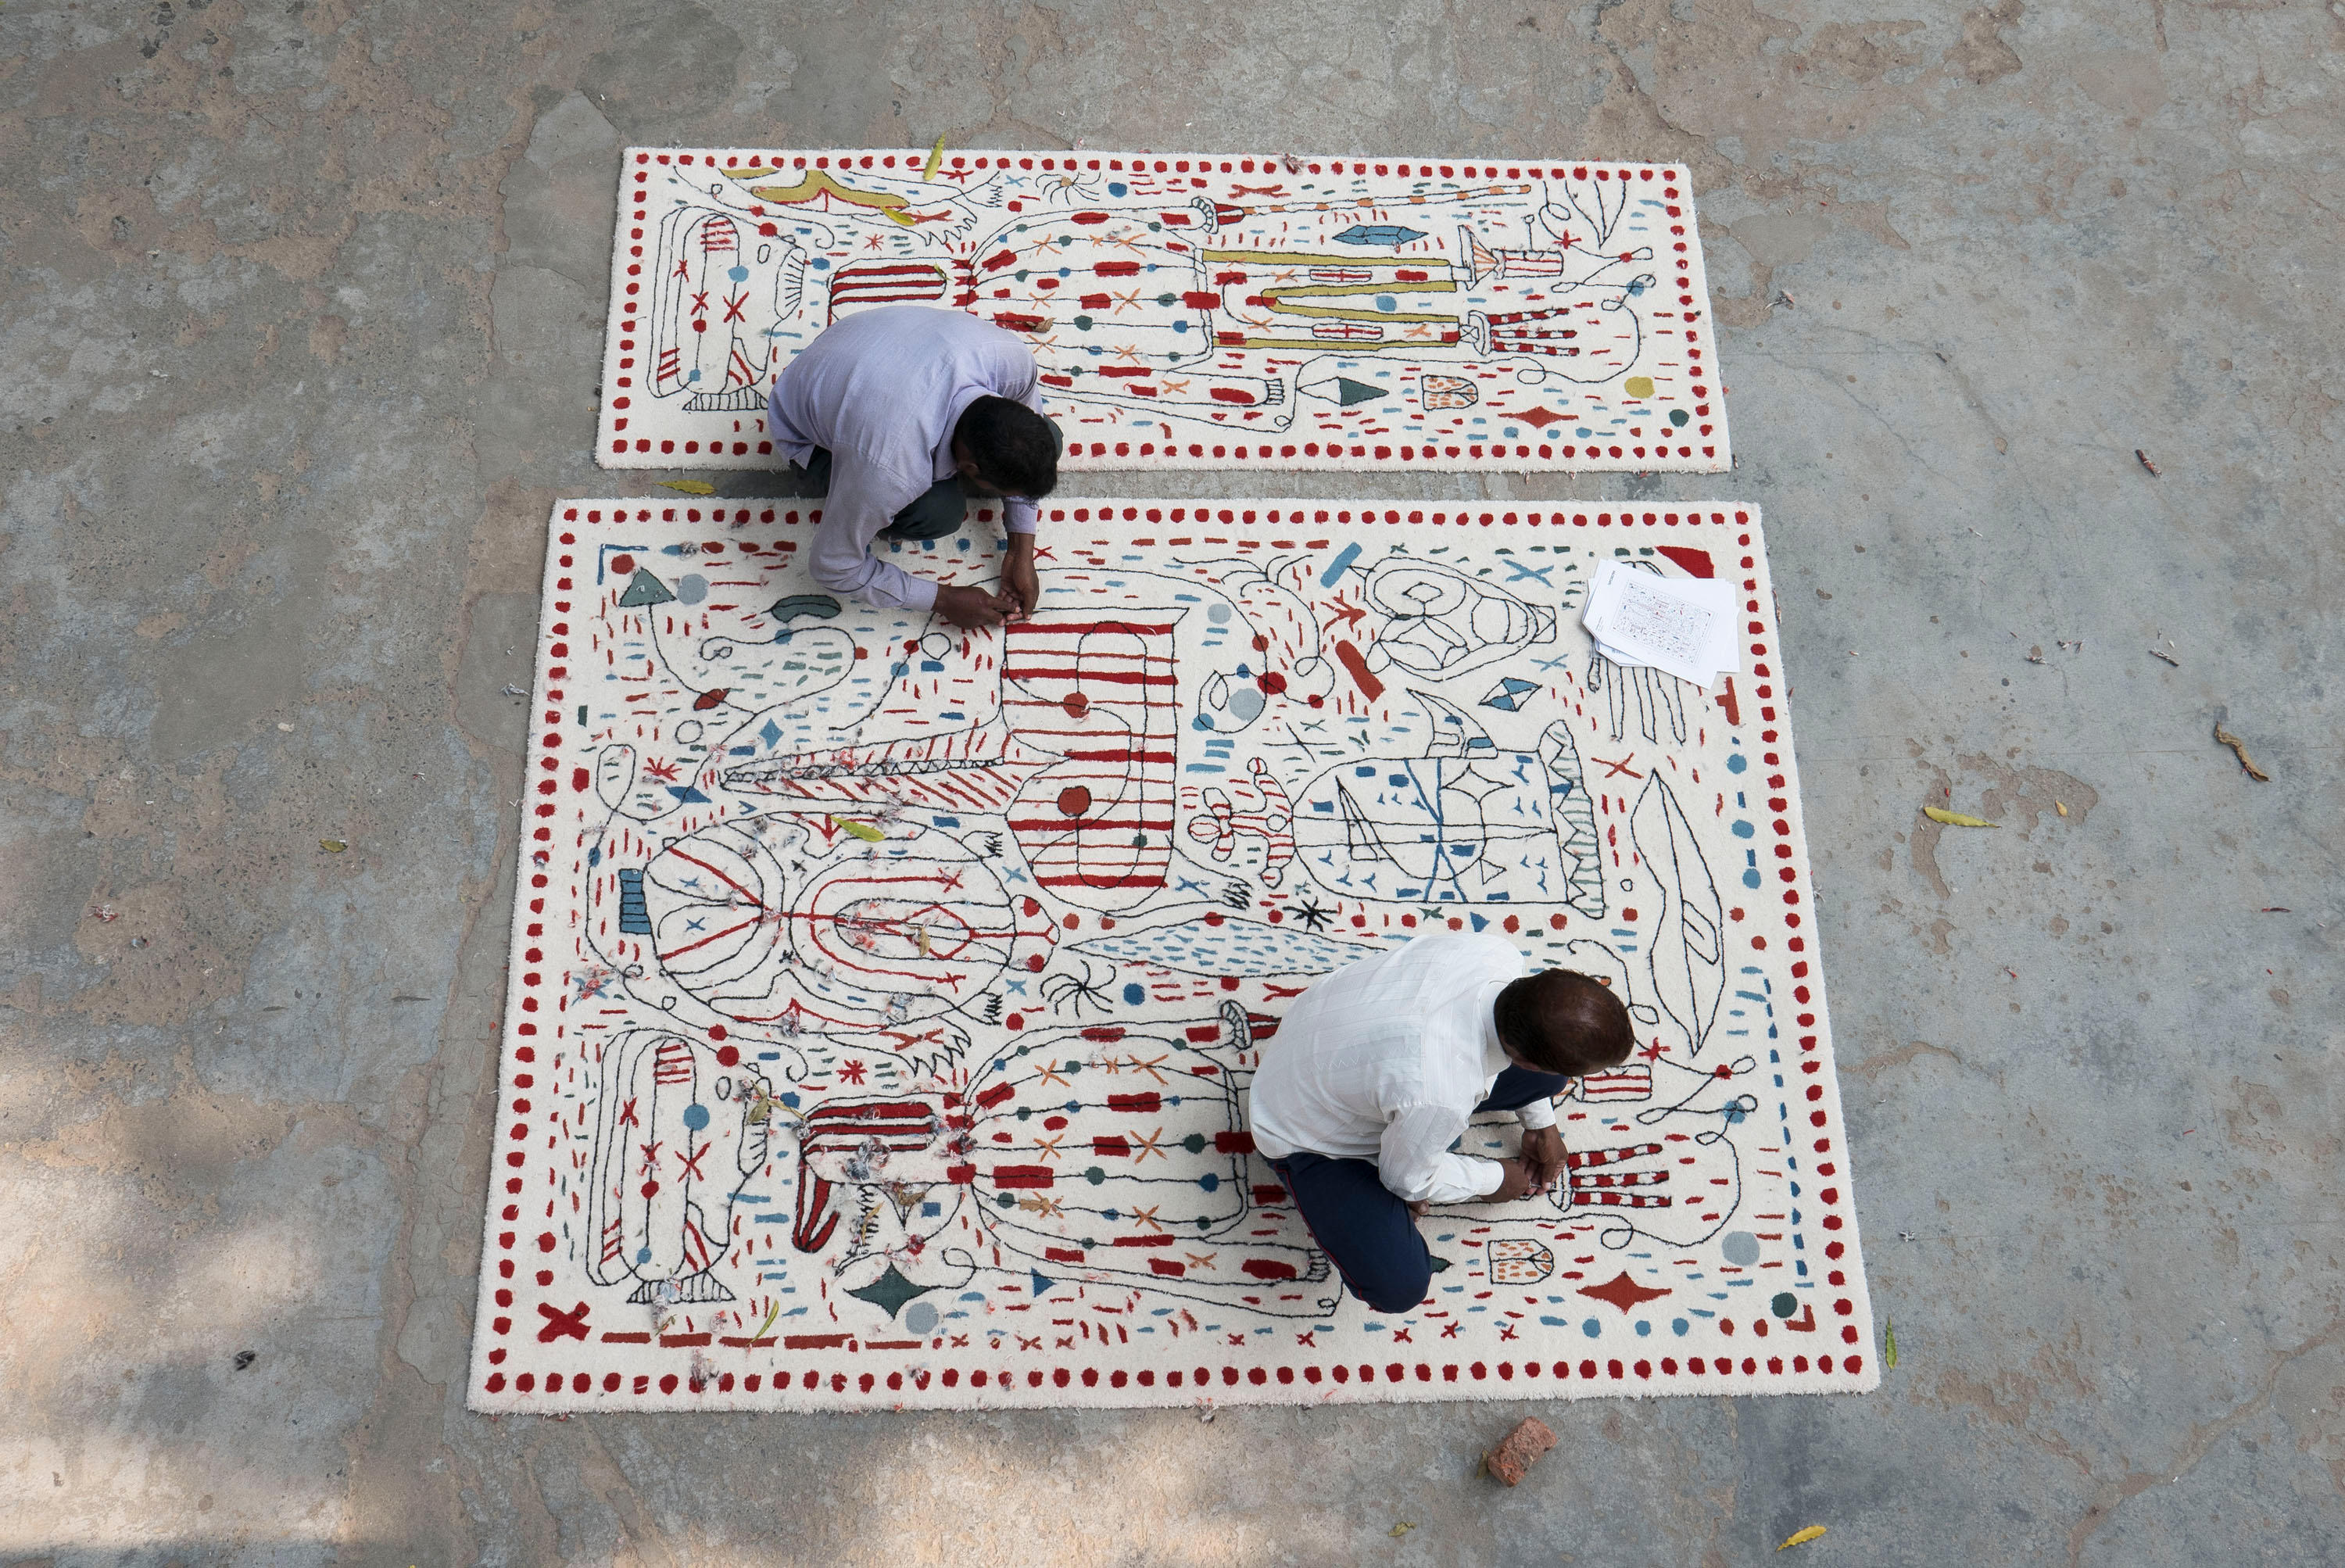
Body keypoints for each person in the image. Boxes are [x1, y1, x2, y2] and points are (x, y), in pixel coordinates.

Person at [1247, 933, 1636, 1315]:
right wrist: (1494, 1181)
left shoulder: (1496, 952)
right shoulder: (1440, 1093)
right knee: (1398, 1284)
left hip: (1321, 1027)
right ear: (1529, 1062)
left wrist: (1542, 1122)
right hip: (1297, 1130)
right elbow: (1405, 1180)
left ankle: (1403, 1136)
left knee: (1551, 1079)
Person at [766, 305, 1063, 630]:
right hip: (804, 418)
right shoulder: (888, 469)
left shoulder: (1013, 362)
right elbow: (833, 566)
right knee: (938, 512)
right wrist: (944, 599)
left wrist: (1021, 550)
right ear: (970, 468)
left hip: (871, 342)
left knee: (1048, 440)